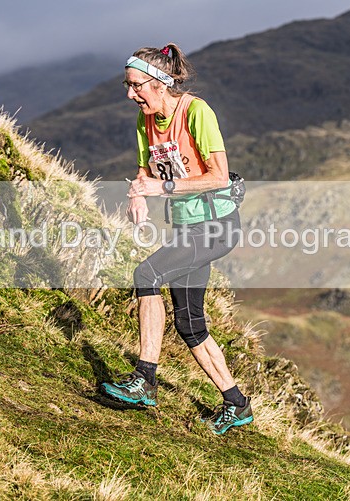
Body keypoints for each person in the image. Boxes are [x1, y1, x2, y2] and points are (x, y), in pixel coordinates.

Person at [100, 43, 252, 435]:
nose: (130, 94)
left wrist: (161, 189)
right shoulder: (145, 121)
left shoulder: (196, 112)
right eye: (127, 85)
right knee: (190, 324)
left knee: (145, 275)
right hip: (187, 227)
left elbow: (219, 176)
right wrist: (138, 197)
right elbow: (142, 172)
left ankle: (145, 380)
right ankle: (237, 405)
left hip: (217, 226)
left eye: (136, 86)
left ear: (161, 83)